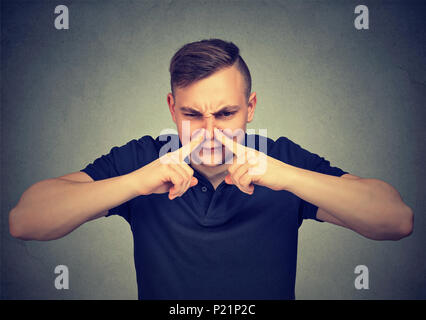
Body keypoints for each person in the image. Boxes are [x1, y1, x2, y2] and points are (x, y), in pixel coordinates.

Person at [9, 38, 414, 300]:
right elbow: (25, 221)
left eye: (225, 113)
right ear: (172, 108)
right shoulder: (142, 158)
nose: (209, 132)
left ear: (250, 107)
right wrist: (133, 183)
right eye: (191, 114)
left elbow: (395, 220)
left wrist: (286, 177)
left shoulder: (281, 160)